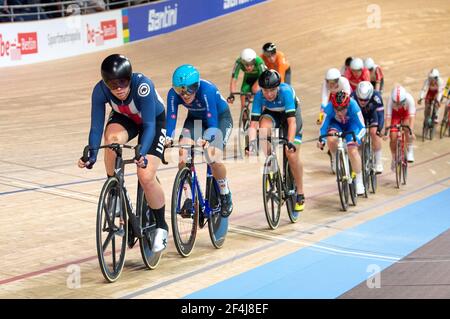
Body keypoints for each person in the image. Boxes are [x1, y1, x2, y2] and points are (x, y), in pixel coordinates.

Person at [78, 54, 168, 252]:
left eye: (123, 82)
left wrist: (142, 152)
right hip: (125, 117)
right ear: (105, 83)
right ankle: (115, 190)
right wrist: (91, 154)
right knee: (110, 142)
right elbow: (96, 127)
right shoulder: (100, 90)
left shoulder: (143, 86)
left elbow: (150, 126)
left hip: (153, 121)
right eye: (112, 84)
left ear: (130, 77)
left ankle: (162, 225)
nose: (118, 88)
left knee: (145, 176)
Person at [166, 64, 234, 217]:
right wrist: (168, 137)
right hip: (195, 119)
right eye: (179, 90)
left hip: (219, 118)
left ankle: (225, 192)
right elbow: (171, 117)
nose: (184, 94)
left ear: (196, 86)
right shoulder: (173, 94)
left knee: (212, 156)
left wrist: (209, 138)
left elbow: (212, 118)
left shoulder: (207, 90)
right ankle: (189, 198)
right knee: (183, 152)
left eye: (188, 89)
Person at [247, 69, 305, 212]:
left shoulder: (285, 92)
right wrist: (251, 145)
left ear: (278, 87)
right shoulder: (259, 96)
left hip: (291, 117)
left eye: (272, 90)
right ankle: (271, 161)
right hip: (273, 114)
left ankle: (301, 192)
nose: (269, 94)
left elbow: (292, 123)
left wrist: (290, 142)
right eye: (265, 90)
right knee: (263, 130)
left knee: (291, 154)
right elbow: (253, 124)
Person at [317, 90, 366, 195]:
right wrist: (322, 140)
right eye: (337, 109)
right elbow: (323, 128)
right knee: (331, 138)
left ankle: (359, 181)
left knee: (352, 150)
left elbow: (362, 127)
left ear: (347, 105)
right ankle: (335, 157)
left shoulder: (354, 106)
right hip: (337, 125)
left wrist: (357, 138)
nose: (339, 112)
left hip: (352, 126)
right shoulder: (329, 108)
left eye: (342, 109)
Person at [352, 81, 384, 173]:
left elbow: (381, 115)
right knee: (357, 138)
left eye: (365, 100)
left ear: (370, 96)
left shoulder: (376, 97)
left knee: (374, 132)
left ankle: (378, 162)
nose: (362, 102)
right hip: (358, 116)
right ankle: (360, 158)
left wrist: (379, 129)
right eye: (360, 99)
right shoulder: (352, 97)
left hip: (372, 115)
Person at [385, 85, 416, 169]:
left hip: (406, 115)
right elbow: (388, 118)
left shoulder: (410, 99)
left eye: (400, 103)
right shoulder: (390, 100)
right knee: (393, 137)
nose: (398, 105)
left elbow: (412, 117)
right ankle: (394, 158)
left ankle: (410, 148)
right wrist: (387, 132)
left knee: (407, 128)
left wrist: (411, 131)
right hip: (395, 116)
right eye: (396, 103)